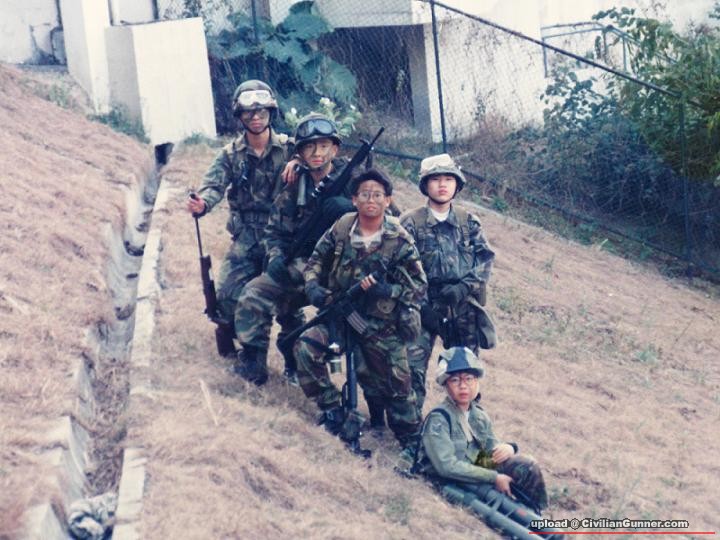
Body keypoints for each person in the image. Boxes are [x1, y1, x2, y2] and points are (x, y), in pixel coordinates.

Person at [293, 169, 427, 450]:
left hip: (383, 324)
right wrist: (313, 287)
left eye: (377, 195)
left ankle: (412, 442)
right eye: (365, 194)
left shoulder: (399, 239)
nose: (371, 200)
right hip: (340, 316)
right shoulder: (342, 227)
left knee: (399, 389)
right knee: (305, 348)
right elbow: (315, 260)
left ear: (388, 200)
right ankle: (333, 410)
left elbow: (419, 288)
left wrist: (387, 291)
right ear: (354, 199)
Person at [186, 80, 303, 370]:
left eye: (261, 111)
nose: (256, 117)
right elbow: (213, 186)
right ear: (240, 116)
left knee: (289, 303)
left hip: (284, 237)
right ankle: (247, 350)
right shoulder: (231, 154)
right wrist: (203, 204)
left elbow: (318, 161)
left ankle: (295, 363)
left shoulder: (291, 149)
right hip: (247, 236)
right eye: (249, 112)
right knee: (226, 298)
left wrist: (299, 161)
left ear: (271, 112)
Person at [233, 113, 356, 385]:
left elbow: (388, 218)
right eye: (309, 147)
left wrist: (351, 209)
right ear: (299, 152)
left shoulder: (355, 180)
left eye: (323, 146)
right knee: (254, 293)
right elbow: (274, 230)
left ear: (335, 149)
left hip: (345, 271)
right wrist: (276, 256)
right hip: (303, 265)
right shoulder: (294, 187)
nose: (317, 153)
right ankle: (254, 363)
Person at [400, 153, 496, 418]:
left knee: (465, 372)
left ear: (457, 184)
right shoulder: (410, 222)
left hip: (461, 307)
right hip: (421, 308)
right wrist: (422, 306)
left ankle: (469, 424)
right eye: (435, 179)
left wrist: (464, 288)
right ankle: (411, 428)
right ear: (425, 185)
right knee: (411, 369)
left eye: (448, 179)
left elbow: (485, 260)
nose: (442, 185)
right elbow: (399, 268)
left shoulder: (468, 222)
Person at [415, 347, 548, 512]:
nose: (463, 386)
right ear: (446, 385)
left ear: (476, 382)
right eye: (455, 380)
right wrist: (494, 477)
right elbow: (446, 466)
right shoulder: (439, 419)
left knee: (527, 465)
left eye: (469, 379)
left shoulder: (478, 415)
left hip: (477, 466)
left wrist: (509, 448)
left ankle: (537, 513)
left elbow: (491, 448)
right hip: (455, 477)